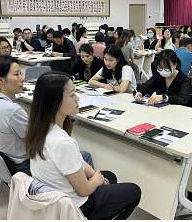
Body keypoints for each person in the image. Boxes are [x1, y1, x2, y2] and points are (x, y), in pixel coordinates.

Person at [26, 72, 141, 219]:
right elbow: (84, 190)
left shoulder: (40, 129)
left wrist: (94, 175)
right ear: (55, 102)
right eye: (72, 94)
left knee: (109, 176)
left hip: (55, 197)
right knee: (134, 191)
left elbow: (75, 161)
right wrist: (95, 180)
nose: (78, 98)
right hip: (74, 207)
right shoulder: (62, 142)